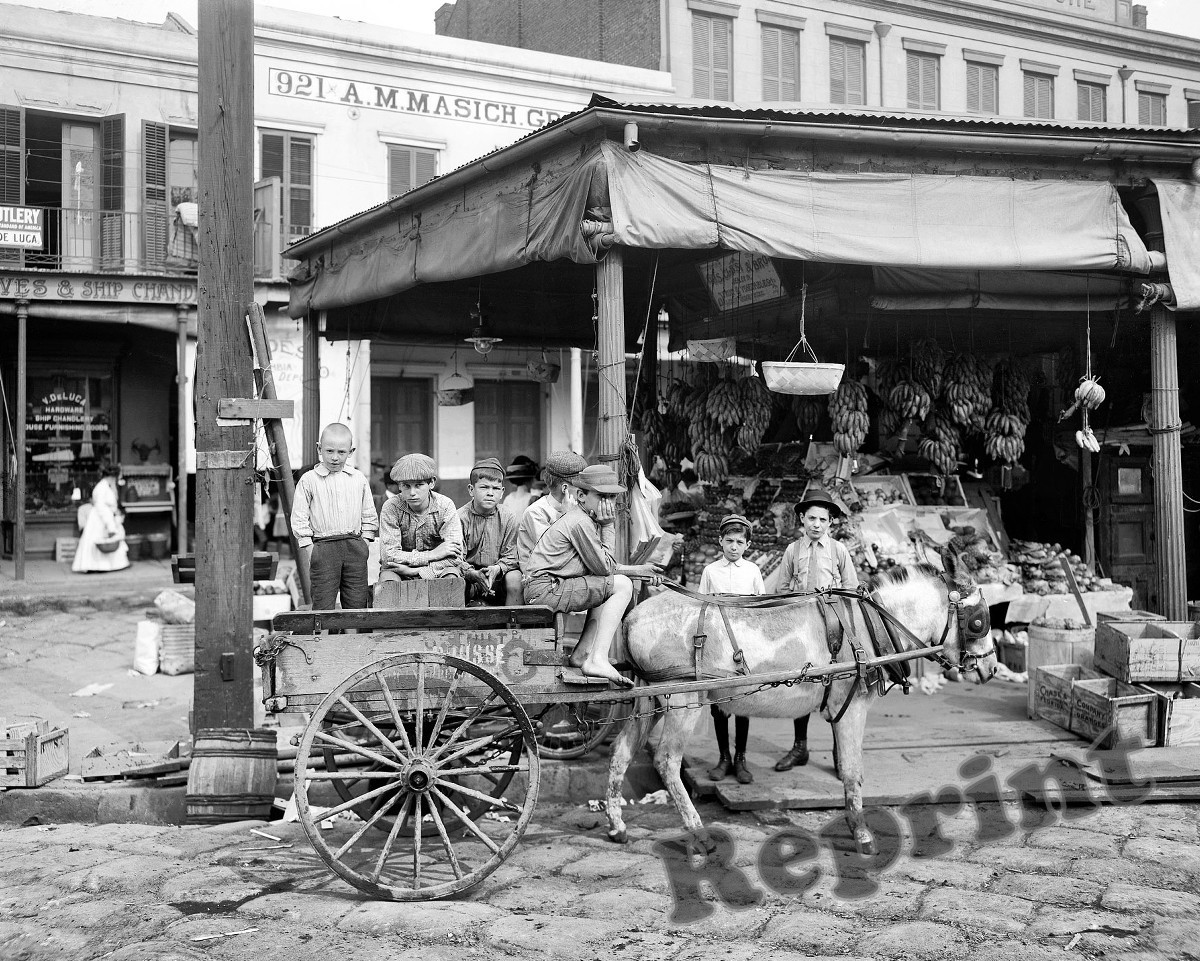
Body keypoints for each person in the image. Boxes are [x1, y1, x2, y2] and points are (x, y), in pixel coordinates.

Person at [523, 464, 662, 686]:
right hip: (546, 590)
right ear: (581, 495)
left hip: (550, 586)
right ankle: (597, 659)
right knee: (622, 586)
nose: (608, 503)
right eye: (601, 496)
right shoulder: (581, 522)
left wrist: (639, 570)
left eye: (612, 497)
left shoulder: (584, 519)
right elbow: (604, 568)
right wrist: (608, 525)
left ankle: (582, 654)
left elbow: (598, 568)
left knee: (607, 586)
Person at [774, 487, 859, 772]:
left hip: (834, 629)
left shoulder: (838, 550)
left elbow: (851, 589)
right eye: (811, 518)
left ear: (830, 523)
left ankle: (840, 751)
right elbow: (782, 588)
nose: (816, 525)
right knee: (802, 683)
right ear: (802, 518)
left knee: (839, 685)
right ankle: (800, 747)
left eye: (822, 520)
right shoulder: (792, 550)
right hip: (802, 629)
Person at [699, 513, 765, 785]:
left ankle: (740, 758)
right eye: (729, 541)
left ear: (748, 545)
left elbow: (761, 609)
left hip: (745, 645)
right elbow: (700, 606)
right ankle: (723, 757)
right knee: (718, 703)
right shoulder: (710, 571)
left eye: (739, 542)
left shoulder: (752, 571)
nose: (734, 547)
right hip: (718, 644)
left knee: (742, 701)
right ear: (720, 541)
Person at [290, 423, 378, 610]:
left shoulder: (358, 479)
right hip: (323, 547)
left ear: (351, 452)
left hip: (354, 546)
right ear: (319, 448)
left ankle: (352, 639)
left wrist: (365, 543)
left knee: (356, 601)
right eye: (329, 451)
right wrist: (309, 548)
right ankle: (322, 639)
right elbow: (299, 517)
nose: (335, 458)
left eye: (341, 452)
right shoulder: (309, 480)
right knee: (323, 602)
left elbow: (369, 514)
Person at [378, 453, 463, 586]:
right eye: (406, 485)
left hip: (438, 569)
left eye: (418, 485)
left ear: (432, 483)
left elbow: (456, 557)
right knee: (388, 583)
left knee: (451, 578)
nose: (412, 492)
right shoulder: (391, 507)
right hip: (399, 571)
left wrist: (418, 572)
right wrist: (433, 554)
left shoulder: (445, 506)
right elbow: (388, 557)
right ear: (399, 486)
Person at [456, 457, 521, 604]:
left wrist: (496, 569)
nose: (490, 493)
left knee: (515, 578)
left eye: (496, 488)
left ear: (502, 492)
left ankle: (512, 624)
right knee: (453, 579)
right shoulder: (459, 518)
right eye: (484, 487)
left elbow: (512, 555)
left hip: (499, 577)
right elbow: (455, 558)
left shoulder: (508, 517)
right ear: (471, 490)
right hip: (468, 577)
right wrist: (473, 574)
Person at [516, 449, 588, 573]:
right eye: (581, 487)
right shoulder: (535, 513)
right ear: (565, 488)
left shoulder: (580, 508)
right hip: (543, 580)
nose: (585, 493)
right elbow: (554, 555)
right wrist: (568, 518)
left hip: (569, 574)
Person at [72, 468, 130, 573]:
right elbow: (101, 506)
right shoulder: (102, 488)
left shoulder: (104, 486)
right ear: (112, 477)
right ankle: (97, 565)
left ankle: (105, 565)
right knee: (99, 539)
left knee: (103, 540)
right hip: (101, 518)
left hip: (103, 516)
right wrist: (110, 524)